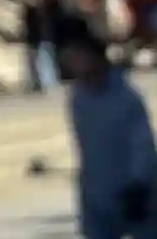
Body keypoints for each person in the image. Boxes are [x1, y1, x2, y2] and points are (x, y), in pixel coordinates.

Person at [63, 19, 157, 239]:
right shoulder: (78, 99)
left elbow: (143, 145)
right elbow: (85, 150)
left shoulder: (126, 97)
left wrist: (139, 185)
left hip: (133, 192)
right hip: (97, 196)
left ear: (95, 57)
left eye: (78, 56)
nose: (73, 64)